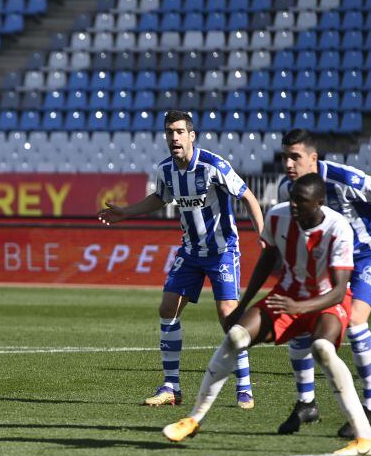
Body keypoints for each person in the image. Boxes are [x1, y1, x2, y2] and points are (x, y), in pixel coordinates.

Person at [163, 174, 371, 456]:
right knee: (235, 336)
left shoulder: (338, 227)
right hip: (287, 295)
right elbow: (267, 259)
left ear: (319, 203)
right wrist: (243, 306)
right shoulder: (278, 216)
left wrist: (299, 309)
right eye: (292, 198)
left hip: (325, 301)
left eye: (301, 201)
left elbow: (340, 291)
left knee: (322, 349)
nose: (293, 205)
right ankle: (193, 419)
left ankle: (366, 437)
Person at [98, 110, 264, 409]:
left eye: (179, 131)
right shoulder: (166, 170)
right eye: (169, 132)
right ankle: (171, 387)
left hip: (222, 251)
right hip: (190, 252)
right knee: (167, 308)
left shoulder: (213, 165)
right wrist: (126, 211)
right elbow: (159, 198)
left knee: (229, 317)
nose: (173, 137)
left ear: (191, 135)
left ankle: (244, 386)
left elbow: (248, 197)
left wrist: (263, 235)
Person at [275, 128, 371, 438]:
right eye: (285, 157)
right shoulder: (288, 188)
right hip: (329, 262)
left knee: (355, 323)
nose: (288, 164)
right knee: (300, 324)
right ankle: (306, 402)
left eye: (295, 157)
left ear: (313, 157)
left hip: (369, 255)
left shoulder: (345, 178)